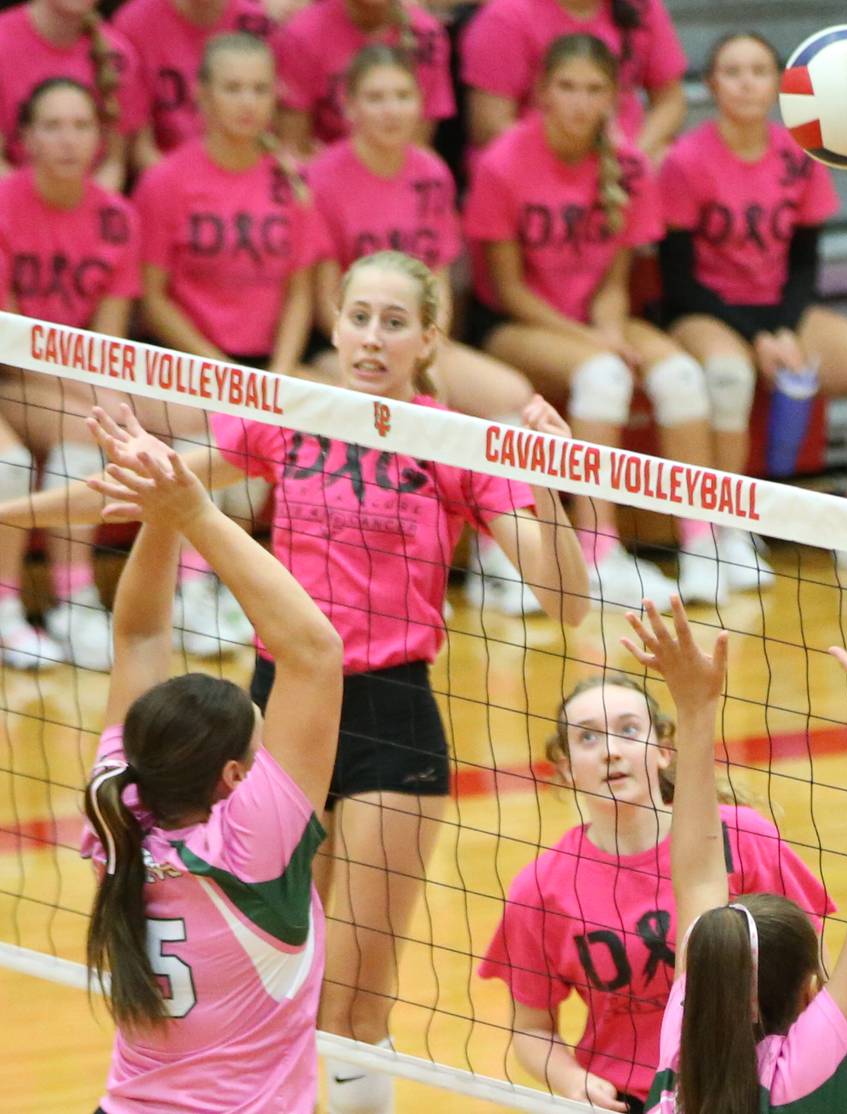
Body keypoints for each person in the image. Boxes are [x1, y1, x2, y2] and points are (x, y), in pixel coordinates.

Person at [14, 249, 592, 1114]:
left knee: (355, 1001)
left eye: (395, 322)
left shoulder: (455, 446)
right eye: (359, 316)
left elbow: (565, 599)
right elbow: (136, 493)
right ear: (334, 322)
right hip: (275, 718)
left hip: (391, 716)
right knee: (279, 989)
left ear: (429, 337)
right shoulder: (288, 417)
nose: (372, 337)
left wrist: (553, 490)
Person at [79, 418, 343, 1110]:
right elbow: (313, 651)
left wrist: (162, 514)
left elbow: (138, 635)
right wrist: (189, 509)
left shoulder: (122, 811)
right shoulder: (251, 847)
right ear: (234, 779)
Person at [479, 667, 835, 1112]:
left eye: (628, 731)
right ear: (566, 768)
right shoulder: (539, 887)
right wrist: (573, 1081)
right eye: (588, 738)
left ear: (663, 750)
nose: (611, 751)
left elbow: (812, 968)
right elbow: (533, 1029)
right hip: (630, 1099)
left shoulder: (744, 837)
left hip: (753, 1086)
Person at [622, 581, 847, 1112]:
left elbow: (697, 881)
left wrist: (693, 710)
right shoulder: (798, 1080)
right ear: (810, 990)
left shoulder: (681, 1063)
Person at [464, 33, 724, 611]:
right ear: (542, 92)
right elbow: (509, 289)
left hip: (596, 317)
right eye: (567, 87)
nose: (580, 101)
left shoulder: (627, 164)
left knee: (681, 375)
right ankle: (598, 547)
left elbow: (615, 279)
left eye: (595, 89)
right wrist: (592, 341)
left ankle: (704, 547)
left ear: (614, 96)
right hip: (516, 323)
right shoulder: (504, 161)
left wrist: (606, 327)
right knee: (605, 375)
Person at [659, 32, 847, 582]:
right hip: (706, 309)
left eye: (759, 70)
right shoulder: (686, 160)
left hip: (782, 307)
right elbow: (678, 280)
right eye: (732, 71)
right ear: (710, 85)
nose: (747, 82)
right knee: (729, 375)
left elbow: (805, 265)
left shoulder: (800, 155)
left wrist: (783, 326)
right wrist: (759, 336)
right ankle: (721, 535)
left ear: (780, 84)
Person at [306, 45, 540, 613]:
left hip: (418, 342)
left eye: (403, 96)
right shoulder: (321, 177)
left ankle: (494, 560)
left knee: (510, 401)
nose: (391, 109)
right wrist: (374, 351)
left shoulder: (431, 173)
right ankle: (375, 574)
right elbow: (320, 293)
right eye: (376, 97)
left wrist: (426, 351)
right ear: (350, 107)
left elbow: (435, 282)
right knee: (373, 409)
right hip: (340, 346)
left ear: (421, 105)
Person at [134, 31, 321, 655]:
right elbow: (153, 297)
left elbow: (300, 289)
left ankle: (228, 585)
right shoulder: (165, 181)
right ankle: (190, 593)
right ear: (204, 97)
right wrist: (216, 370)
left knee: (290, 426)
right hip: (189, 361)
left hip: (270, 360)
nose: (248, 101)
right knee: (215, 438)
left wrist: (285, 370)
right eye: (233, 87)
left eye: (260, 88)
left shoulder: (289, 182)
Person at [0, 79, 141, 670]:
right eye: (52, 125)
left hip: (66, 380)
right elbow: (7, 342)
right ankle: (7, 610)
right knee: (10, 463)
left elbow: (104, 342)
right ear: (25, 138)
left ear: (101, 139)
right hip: (10, 372)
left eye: (81, 125)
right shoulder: (5, 206)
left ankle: (76, 602)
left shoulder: (117, 218)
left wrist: (90, 391)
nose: (68, 140)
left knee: (89, 432)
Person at [460, 0, 686, 163]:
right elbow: (489, 128)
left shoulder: (642, 7)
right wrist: (579, 168)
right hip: (538, 163)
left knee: (674, 164)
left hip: (621, 155)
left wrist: (634, 155)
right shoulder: (506, 15)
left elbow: (671, 99)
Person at [0, 0, 149, 189]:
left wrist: (84, 210)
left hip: (90, 200)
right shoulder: (4, 42)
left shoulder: (118, 55)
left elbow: (114, 162)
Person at [273, 0, 452, 153]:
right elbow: (294, 148)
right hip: (324, 173)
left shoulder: (427, 35)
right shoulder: (303, 34)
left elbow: (417, 143)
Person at [113, 0, 275, 168]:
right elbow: (139, 147)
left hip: (247, 168)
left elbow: (278, 134)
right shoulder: (135, 23)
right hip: (168, 171)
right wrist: (183, 182)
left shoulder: (257, 22)